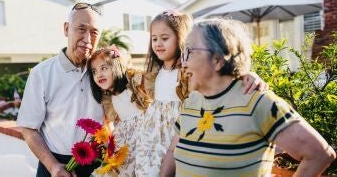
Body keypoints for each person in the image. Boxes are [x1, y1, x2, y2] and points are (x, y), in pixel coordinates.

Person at [162, 18, 336, 176]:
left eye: (189, 52)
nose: (182, 62)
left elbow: (320, 155)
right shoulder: (192, 102)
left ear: (218, 60)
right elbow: (173, 152)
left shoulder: (258, 102)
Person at [139, 10, 267, 176]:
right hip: (154, 136)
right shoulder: (153, 72)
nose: (158, 44)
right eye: (154, 38)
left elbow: (220, 76)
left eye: (164, 38)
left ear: (181, 38)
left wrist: (247, 75)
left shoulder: (188, 69)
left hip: (180, 129)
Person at [17, 3, 105, 177]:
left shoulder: (104, 72)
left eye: (94, 32)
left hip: (97, 166)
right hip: (54, 166)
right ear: (66, 29)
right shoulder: (41, 73)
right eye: (81, 29)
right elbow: (28, 128)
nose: (88, 39)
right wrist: (53, 166)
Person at [86, 46, 153, 176]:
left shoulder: (134, 84)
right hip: (126, 144)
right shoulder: (109, 99)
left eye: (104, 68)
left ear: (116, 66)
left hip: (145, 139)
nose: (98, 74)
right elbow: (112, 124)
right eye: (94, 71)